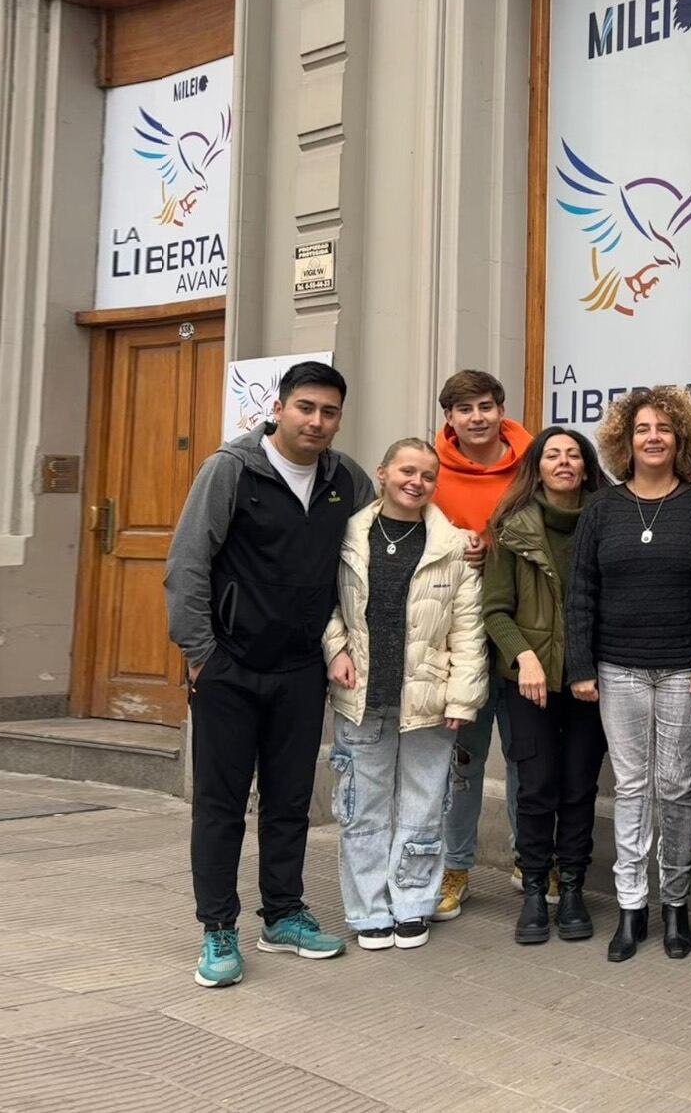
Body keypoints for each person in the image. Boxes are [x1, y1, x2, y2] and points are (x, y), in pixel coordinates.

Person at [165, 360, 373, 988]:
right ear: (278, 408)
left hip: (302, 669)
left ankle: (282, 915)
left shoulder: (345, 480)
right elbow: (187, 563)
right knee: (222, 805)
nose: (316, 421)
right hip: (229, 667)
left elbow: (391, 532)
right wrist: (201, 653)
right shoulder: (231, 470)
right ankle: (218, 927)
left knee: (288, 802)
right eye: (305, 407)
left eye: (329, 412)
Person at [565, 387, 691, 963]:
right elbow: (581, 591)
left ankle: (675, 906)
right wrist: (580, 665)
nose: (652, 437)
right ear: (624, 441)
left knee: (677, 789)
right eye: (641, 428)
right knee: (631, 788)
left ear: (681, 440)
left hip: (684, 671)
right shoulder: (602, 508)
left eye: (664, 428)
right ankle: (631, 908)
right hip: (619, 670)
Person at [322, 438, 487, 951]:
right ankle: (369, 909)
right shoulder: (346, 536)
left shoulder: (453, 546)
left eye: (427, 475)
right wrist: (334, 650)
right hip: (362, 695)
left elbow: (467, 631)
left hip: (428, 702)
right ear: (384, 472)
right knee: (362, 809)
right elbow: (324, 604)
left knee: (422, 807)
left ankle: (413, 903)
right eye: (406, 471)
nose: (416, 482)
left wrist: (462, 700)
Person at [481, 426, 608, 945]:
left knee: (579, 788)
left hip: (590, 680)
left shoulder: (607, 519)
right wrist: (525, 656)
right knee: (535, 789)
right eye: (552, 454)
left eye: (573, 455)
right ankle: (535, 890)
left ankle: (573, 889)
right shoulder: (511, 525)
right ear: (537, 466)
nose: (563, 462)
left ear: (585, 467)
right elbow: (495, 609)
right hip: (527, 682)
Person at [431, 369, 533, 923]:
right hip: (457, 640)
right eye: (464, 408)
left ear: (501, 410)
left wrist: (493, 549)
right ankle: (456, 867)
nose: (477, 417)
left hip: (520, 636)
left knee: (524, 755)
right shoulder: (430, 470)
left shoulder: (532, 466)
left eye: (486, 406)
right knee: (463, 764)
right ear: (449, 418)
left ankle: (528, 859)